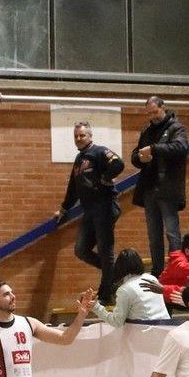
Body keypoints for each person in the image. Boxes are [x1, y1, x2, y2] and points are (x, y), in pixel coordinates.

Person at [55, 122, 125, 304]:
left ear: (90, 136)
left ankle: (106, 293)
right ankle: (117, 273)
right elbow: (73, 187)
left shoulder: (99, 151)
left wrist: (106, 177)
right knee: (81, 250)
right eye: (76, 136)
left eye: (82, 135)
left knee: (105, 250)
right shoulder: (79, 160)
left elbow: (118, 163)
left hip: (105, 207)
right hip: (90, 211)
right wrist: (64, 208)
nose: (78, 139)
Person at [132, 96, 189, 277]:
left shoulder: (176, 127)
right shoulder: (147, 130)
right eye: (149, 113)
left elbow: (180, 148)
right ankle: (157, 271)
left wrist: (154, 150)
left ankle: (177, 268)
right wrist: (140, 158)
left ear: (163, 107)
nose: (153, 116)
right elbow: (136, 154)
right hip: (149, 188)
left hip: (168, 188)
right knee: (153, 234)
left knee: (172, 232)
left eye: (155, 112)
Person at [90, 249, 170, 327]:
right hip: (167, 327)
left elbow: (117, 322)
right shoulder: (152, 278)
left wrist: (96, 307)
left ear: (119, 267)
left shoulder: (124, 290)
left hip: (146, 335)